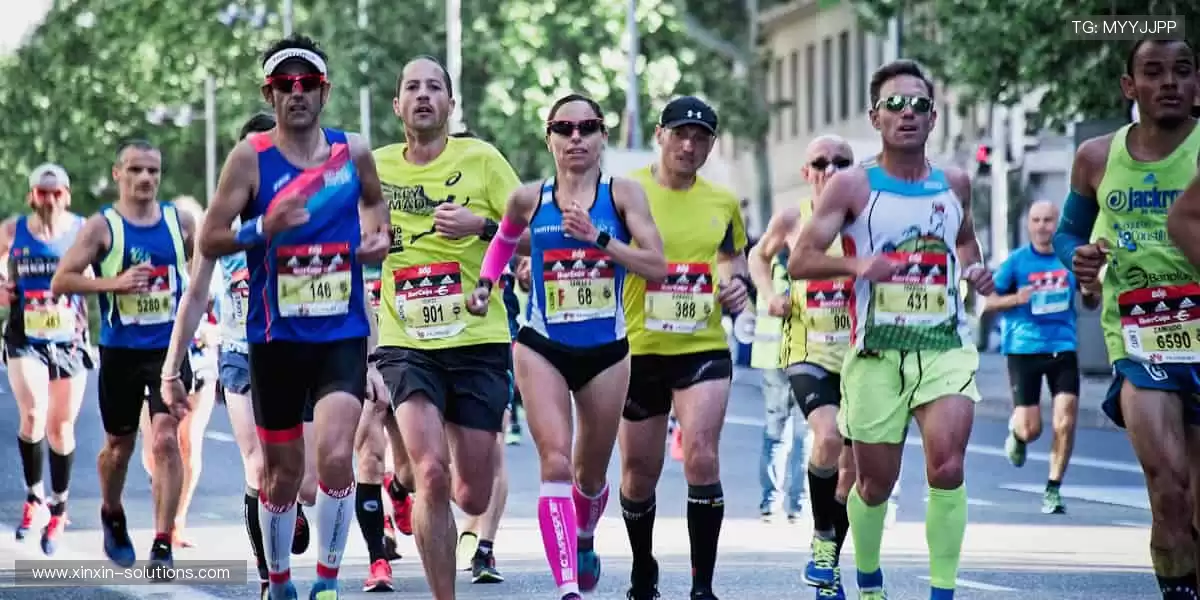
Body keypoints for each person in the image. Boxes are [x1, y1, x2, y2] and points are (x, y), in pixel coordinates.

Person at [788, 60, 994, 600]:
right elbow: (801, 260)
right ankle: (869, 576)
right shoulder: (851, 186)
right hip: (878, 352)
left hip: (945, 347)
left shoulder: (955, 182)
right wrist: (857, 265)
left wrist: (974, 268)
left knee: (947, 466)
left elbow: (964, 240)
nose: (907, 114)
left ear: (933, 118)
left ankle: (942, 591)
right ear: (875, 117)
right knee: (874, 484)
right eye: (895, 105)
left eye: (919, 105)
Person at [197, 34, 390, 600]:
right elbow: (210, 238)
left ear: (324, 92)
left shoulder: (353, 152)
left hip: (341, 332)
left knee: (335, 457)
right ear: (270, 93)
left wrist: (377, 237)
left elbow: (374, 204)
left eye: (308, 82)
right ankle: (279, 581)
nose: (297, 92)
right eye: (286, 83)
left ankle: (326, 582)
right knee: (281, 474)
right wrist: (264, 227)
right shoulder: (249, 158)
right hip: (275, 337)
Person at [467, 93, 667, 599]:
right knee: (554, 462)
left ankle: (584, 534)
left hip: (606, 352)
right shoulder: (528, 199)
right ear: (549, 139)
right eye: (564, 128)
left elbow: (656, 266)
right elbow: (504, 240)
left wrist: (599, 239)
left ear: (602, 136)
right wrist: (485, 284)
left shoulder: (623, 195)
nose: (575, 137)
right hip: (542, 346)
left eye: (587, 127)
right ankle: (568, 588)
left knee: (590, 476)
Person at [370, 55, 521, 600]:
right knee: (431, 472)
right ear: (397, 105)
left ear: (451, 104)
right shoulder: (374, 167)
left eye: (434, 87)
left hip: (478, 340)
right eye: (412, 87)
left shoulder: (482, 160)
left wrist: (481, 226)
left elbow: (536, 233)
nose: (423, 95)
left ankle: (444, 496)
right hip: (407, 341)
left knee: (472, 494)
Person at [1056, 38, 1200, 599]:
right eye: (1153, 72)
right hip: (1140, 338)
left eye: (1182, 71)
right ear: (1129, 86)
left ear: (1197, 84)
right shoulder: (1096, 157)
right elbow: (1070, 232)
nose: (1169, 83)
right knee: (1168, 488)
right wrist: (1078, 256)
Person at [158, 112, 312, 600]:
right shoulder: (219, 222)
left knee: (304, 480)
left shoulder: (306, 211)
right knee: (258, 466)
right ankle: (271, 577)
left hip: (301, 350)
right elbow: (195, 296)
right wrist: (172, 364)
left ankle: (291, 506)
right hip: (242, 353)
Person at [618, 96, 751, 600]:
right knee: (639, 473)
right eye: (680, 135)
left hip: (702, 345)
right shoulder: (627, 192)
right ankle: (642, 567)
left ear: (711, 145)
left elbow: (733, 260)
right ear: (660, 135)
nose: (689, 146)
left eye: (700, 138)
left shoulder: (723, 202)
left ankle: (702, 586)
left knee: (701, 456)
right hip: (639, 347)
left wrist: (737, 286)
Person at [51, 139, 198, 573]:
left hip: (169, 350)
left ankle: (162, 542)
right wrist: (112, 284)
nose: (145, 178)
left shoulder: (181, 222)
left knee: (167, 440)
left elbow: (201, 270)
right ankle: (112, 512)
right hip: (121, 351)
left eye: (153, 170)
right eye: (135, 169)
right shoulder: (103, 227)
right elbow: (62, 280)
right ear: (118, 174)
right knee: (119, 448)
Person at [750, 135, 857, 598]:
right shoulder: (793, 218)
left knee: (853, 471)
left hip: (861, 355)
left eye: (842, 162)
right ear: (806, 172)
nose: (831, 169)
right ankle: (822, 534)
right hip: (806, 351)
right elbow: (758, 255)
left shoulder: (868, 218)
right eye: (820, 162)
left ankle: (828, 558)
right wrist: (769, 294)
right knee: (827, 436)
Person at [984, 200, 1099, 515]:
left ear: (1057, 223)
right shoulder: (1016, 262)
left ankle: (1053, 488)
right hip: (1023, 349)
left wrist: (1091, 292)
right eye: (1036, 220)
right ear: (1028, 224)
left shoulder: (1069, 260)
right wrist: (1015, 298)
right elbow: (988, 302)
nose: (1042, 226)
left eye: (1048, 220)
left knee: (1066, 420)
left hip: (1063, 346)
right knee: (1030, 429)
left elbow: (1090, 302)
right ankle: (1017, 432)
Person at [1, 163, 92, 555]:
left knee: (61, 428)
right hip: (25, 336)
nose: (50, 199)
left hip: (70, 339)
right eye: (42, 192)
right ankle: (34, 497)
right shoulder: (13, 230)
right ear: (31, 196)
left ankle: (59, 507)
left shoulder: (83, 230)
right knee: (34, 413)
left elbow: (103, 271)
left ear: (66, 196)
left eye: (56, 193)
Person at [137, 195, 217, 548]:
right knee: (157, 444)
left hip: (200, 362)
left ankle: (176, 521)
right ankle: (164, 506)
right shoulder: (153, 261)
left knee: (189, 441)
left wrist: (216, 331)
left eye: (191, 227)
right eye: (180, 227)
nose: (186, 234)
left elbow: (228, 310)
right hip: (158, 362)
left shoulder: (213, 267)